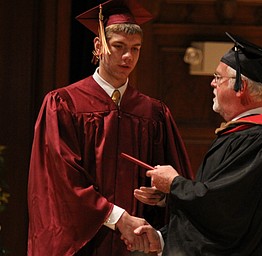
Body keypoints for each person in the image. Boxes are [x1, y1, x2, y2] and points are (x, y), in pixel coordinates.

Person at [27, 0, 193, 255]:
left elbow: (177, 180)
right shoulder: (64, 104)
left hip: (134, 247)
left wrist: (161, 198)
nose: (128, 57)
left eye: (135, 49)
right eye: (119, 47)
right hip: (83, 245)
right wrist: (118, 218)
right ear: (99, 46)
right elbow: (61, 181)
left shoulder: (153, 113)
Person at [132, 32, 262, 255]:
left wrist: (175, 184)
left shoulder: (258, 142)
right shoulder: (241, 136)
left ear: (240, 88)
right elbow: (219, 210)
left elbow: (225, 211)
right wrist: (163, 233)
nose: (212, 83)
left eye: (218, 77)